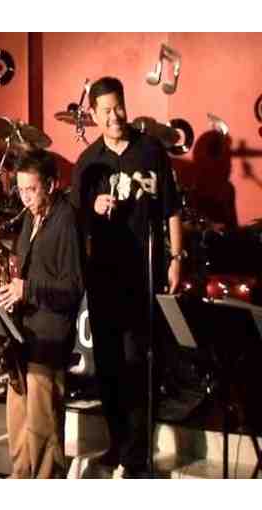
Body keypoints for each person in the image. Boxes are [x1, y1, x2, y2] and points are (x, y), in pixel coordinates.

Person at [70, 77, 183, 477]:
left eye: (119, 107)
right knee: (108, 365)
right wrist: (92, 207)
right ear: (93, 115)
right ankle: (117, 444)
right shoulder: (87, 162)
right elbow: (73, 219)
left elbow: (171, 208)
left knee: (138, 362)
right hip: (103, 278)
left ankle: (136, 454)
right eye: (106, 110)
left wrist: (176, 258)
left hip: (144, 274)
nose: (115, 116)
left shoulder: (151, 150)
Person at [0, 150, 84, 478]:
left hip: (49, 336)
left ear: (51, 184)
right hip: (24, 332)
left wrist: (27, 290)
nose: (25, 198)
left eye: (32, 190)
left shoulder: (67, 219)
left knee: (44, 431)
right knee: (18, 426)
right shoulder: (31, 218)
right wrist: (11, 293)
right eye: (20, 190)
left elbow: (73, 288)